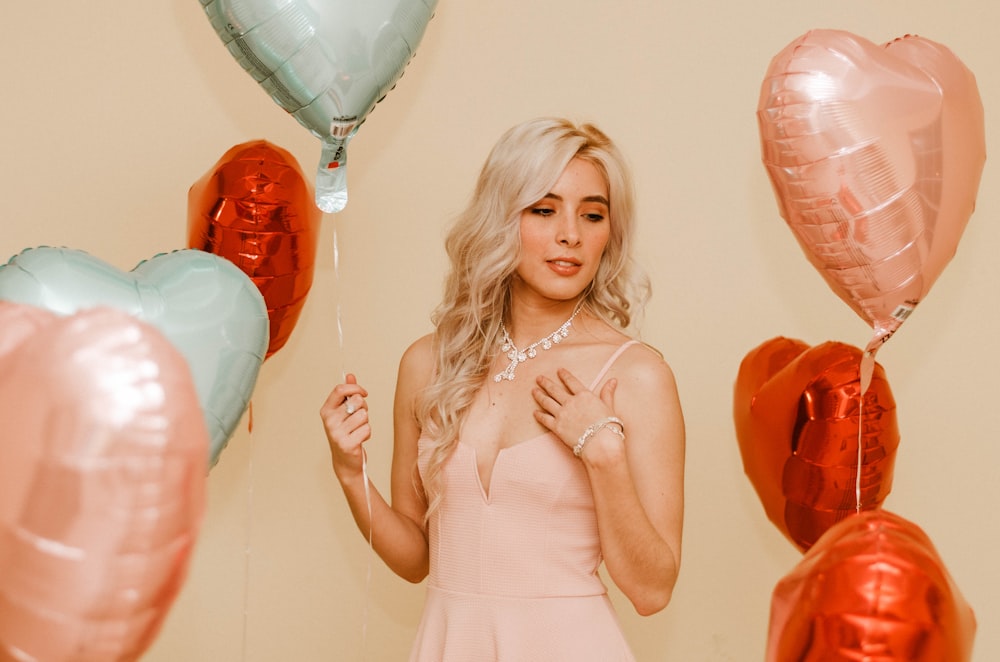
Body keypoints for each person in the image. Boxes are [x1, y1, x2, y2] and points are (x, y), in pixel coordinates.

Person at [320, 117, 685, 661]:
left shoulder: (635, 374)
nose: (571, 234)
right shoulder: (429, 363)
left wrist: (603, 454)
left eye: (592, 214)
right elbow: (415, 558)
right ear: (500, 218)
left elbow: (652, 591)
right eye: (544, 209)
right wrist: (351, 473)